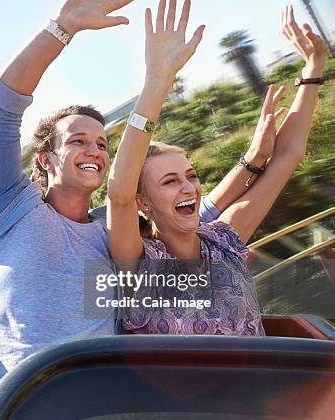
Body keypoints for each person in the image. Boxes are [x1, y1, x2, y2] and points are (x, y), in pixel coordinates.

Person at [0, 0, 283, 387]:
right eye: (78, 141)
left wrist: (252, 161)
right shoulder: (11, 207)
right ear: (46, 158)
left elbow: (192, 213)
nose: (95, 151)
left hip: (102, 404)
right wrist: (62, 28)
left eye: (102, 144)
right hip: (4, 401)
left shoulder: (112, 232)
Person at [107, 2, 329, 335]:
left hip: (262, 383)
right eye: (169, 181)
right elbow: (119, 196)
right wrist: (158, 79)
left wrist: (313, 68)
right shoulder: (140, 266)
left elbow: (287, 157)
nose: (188, 187)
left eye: (191, 176)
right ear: (143, 202)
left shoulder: (223, 240)